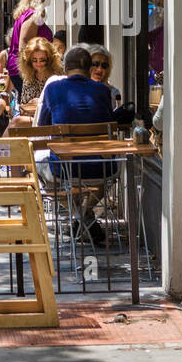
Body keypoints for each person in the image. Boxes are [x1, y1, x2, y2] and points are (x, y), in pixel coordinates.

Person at [36, 46, 117, 241]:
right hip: (102, 168)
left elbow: (43, 126)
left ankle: (78, 217)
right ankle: (86, 217)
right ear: (90, 69)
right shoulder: (103, 91)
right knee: (113, 168)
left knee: (36, 163)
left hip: (64, 169)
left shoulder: (53, 88)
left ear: (64, 69)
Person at [6, 0, 54, 98]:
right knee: (32, 106)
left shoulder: (28, 13)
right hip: (27, 70)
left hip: (24, 68)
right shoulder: (33, 15)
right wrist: (33, 70)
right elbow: (24, 44)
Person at [16, 36, 63, 119]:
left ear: (49, 59)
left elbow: (64, 101)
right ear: (29, 61)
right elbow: (22, 107)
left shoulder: (58, 75)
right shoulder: (28, 77)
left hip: (53, 118)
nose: (38, 64)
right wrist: (29, 105)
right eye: (34, 60)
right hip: (32, 118)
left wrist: (42, 103)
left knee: (17, 123)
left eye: (42, 60)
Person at [85, 43, 122, 110]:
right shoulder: (78, 90)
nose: (99, 69)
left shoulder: (113, 93)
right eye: (95, 64)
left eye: (104, 66)